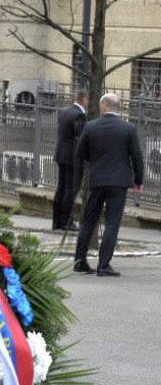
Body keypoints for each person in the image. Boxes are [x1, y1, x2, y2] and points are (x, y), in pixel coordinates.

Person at [73, 93, 144, 278]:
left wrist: (96, 161)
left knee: (88, 220)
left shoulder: (90, 126)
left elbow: (80, 152)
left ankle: (80, 261)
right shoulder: (128, 128)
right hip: (119, 182)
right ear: (117, 108)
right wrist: (139, 180)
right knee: (112, 222)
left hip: (97, 180)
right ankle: (104, 264)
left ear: (103, 107)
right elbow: (136, 156)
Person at [52, 90, 88, 231]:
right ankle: (66, 222)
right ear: (84, 100)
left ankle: (57, 222)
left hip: (61, 154)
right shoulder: (79, 115)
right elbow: (80, 138)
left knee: (61, 188)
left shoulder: (66, 112)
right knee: (70, 190)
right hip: (73, 158)